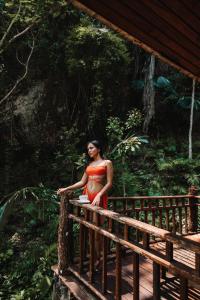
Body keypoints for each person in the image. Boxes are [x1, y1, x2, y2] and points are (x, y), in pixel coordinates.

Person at [57, 140, 113, 209]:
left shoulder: (107, 163)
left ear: (99, 149)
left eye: (91, 148)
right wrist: (66, 188)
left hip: (98, 196)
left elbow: (109, 183)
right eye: (88, 149)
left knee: (97, 218)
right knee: (87, 218)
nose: (89, 150)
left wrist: (99, 195)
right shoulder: (89, 164)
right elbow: (82, 182)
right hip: (87, 196)